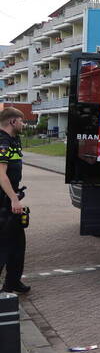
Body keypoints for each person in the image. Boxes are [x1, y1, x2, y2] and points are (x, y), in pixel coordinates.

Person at [0, 108, 30, 294]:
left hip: (11, 199)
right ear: (12, 122)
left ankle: (12, 282)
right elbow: (1, 174)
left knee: (18, 244)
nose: (23, 124)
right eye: (21, 120)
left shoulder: (13, 140)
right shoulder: (2, 141)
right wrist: (13, 199)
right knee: (3, 245)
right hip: (3, 202)